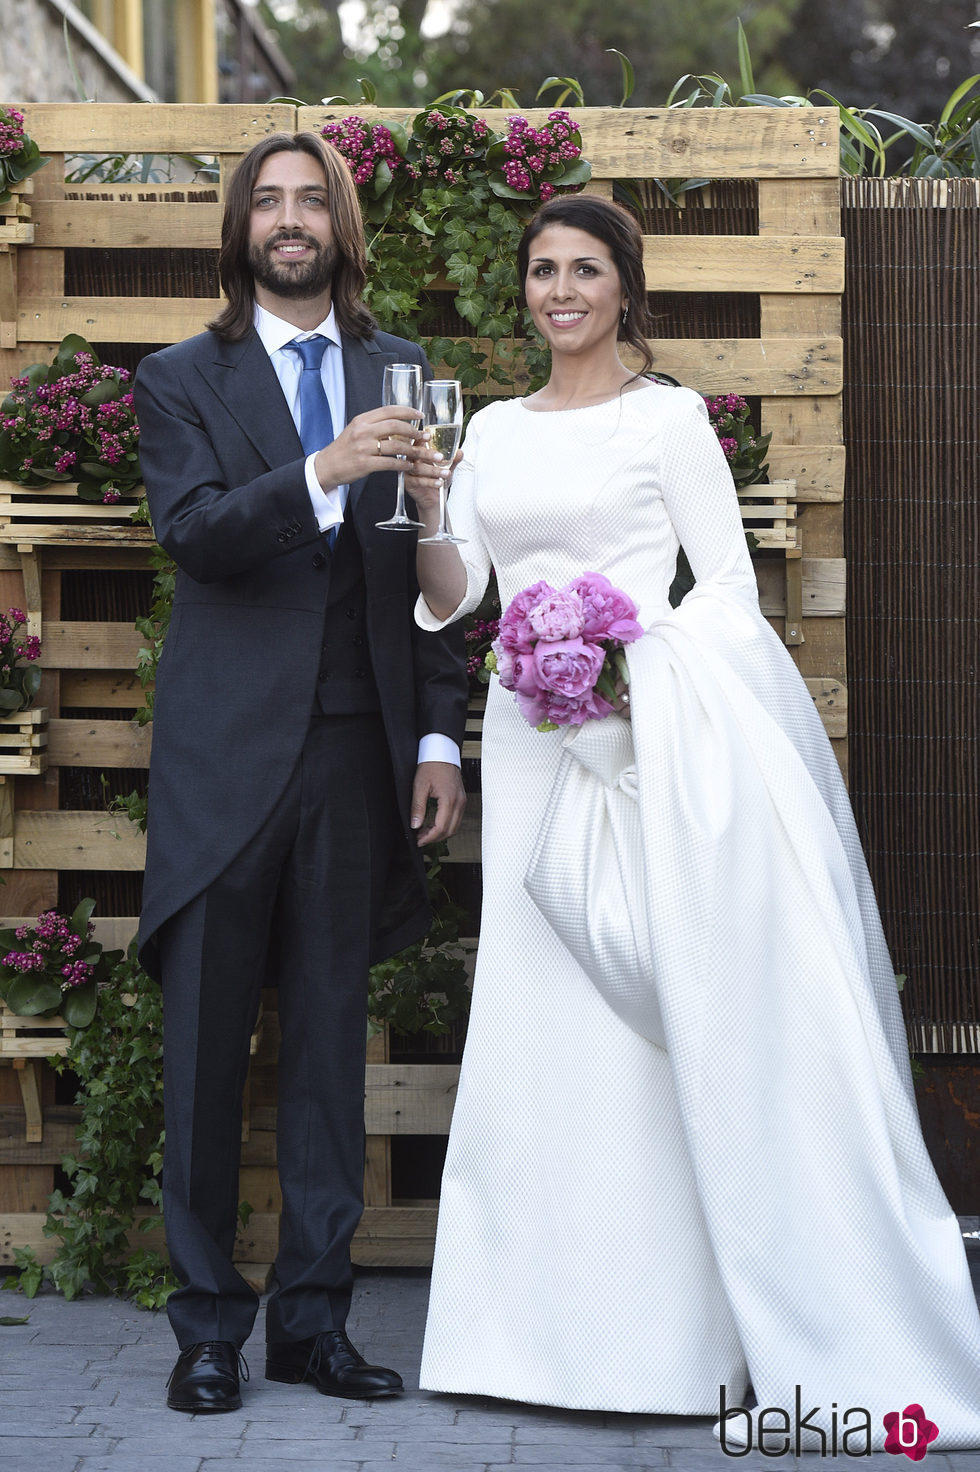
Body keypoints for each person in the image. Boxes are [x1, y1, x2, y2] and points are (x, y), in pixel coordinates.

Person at [408, 194, 980, 1450]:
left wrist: (623, 661)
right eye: (542, 271)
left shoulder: (668, 419)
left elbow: (721, 587)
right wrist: (429, 504)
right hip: (527, 736)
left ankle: (677, 1335)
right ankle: (519, 1330)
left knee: (655, 1009)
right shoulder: (491, 429)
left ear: (626, 288)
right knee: (532, 1001)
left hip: (637, 738)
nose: (559, 291)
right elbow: (455, 601)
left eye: (584, 271)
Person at [133, 131, 468, 1415]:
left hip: (354, 754)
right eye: (266, 202)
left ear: (341, 221)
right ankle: (209, 1325)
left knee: (332, 1048)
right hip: (224, 764)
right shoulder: (178, 379)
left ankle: (313, 1323)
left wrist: (436, 734)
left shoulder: (403, 370)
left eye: (308, 199)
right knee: (208, 1051)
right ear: (240, 229)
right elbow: (198, 537)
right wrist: (323, 470)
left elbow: (422, 581)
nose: (288, 220)